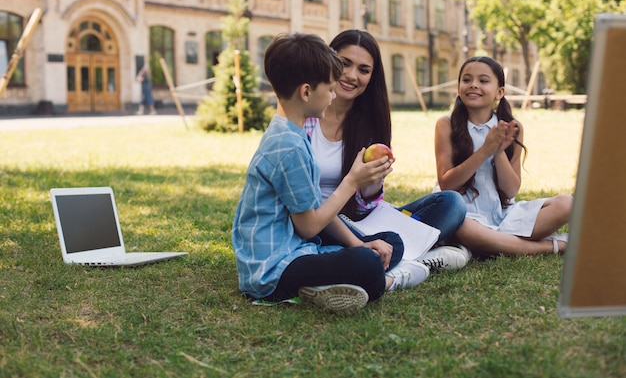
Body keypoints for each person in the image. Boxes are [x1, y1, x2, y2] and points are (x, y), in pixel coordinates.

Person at [231, 32, 428, 315]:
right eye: (330, 89)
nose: (334, 95)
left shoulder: (293, 134)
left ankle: (324, 285)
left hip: (294, 252)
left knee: (380, 248)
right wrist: (352, 182)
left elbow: (315, 210)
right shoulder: (288, 146)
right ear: (307, 92)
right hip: (270, 270)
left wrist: (360, 243)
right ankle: (387, 281)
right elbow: (309, 226)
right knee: (367, 264)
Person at [304, 29, 471, 272]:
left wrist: (371, 183)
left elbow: (364, 208)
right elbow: (299, 200)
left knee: (452, 203)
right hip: (316, 220)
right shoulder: (304, 115)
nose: (352, 76)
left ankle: (380, 255)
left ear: (372, 76)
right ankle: (411, 260)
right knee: (388, 242)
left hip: (360, 221)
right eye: (344, 64)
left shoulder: (369, 124)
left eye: (364, 70)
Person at [434, 56, 573, 257]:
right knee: (460, 226)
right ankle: (553, 246)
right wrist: (485, 151)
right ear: (458, 87)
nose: (473, 85)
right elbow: (447, 185)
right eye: (466, 80)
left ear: (500, 92)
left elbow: (511, 190)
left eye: (483, 81)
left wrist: (498, 152)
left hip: (503, 213)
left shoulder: (512, 127)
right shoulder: (446, 124)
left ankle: (491, 244)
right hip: (463, 214)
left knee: (567, 203)